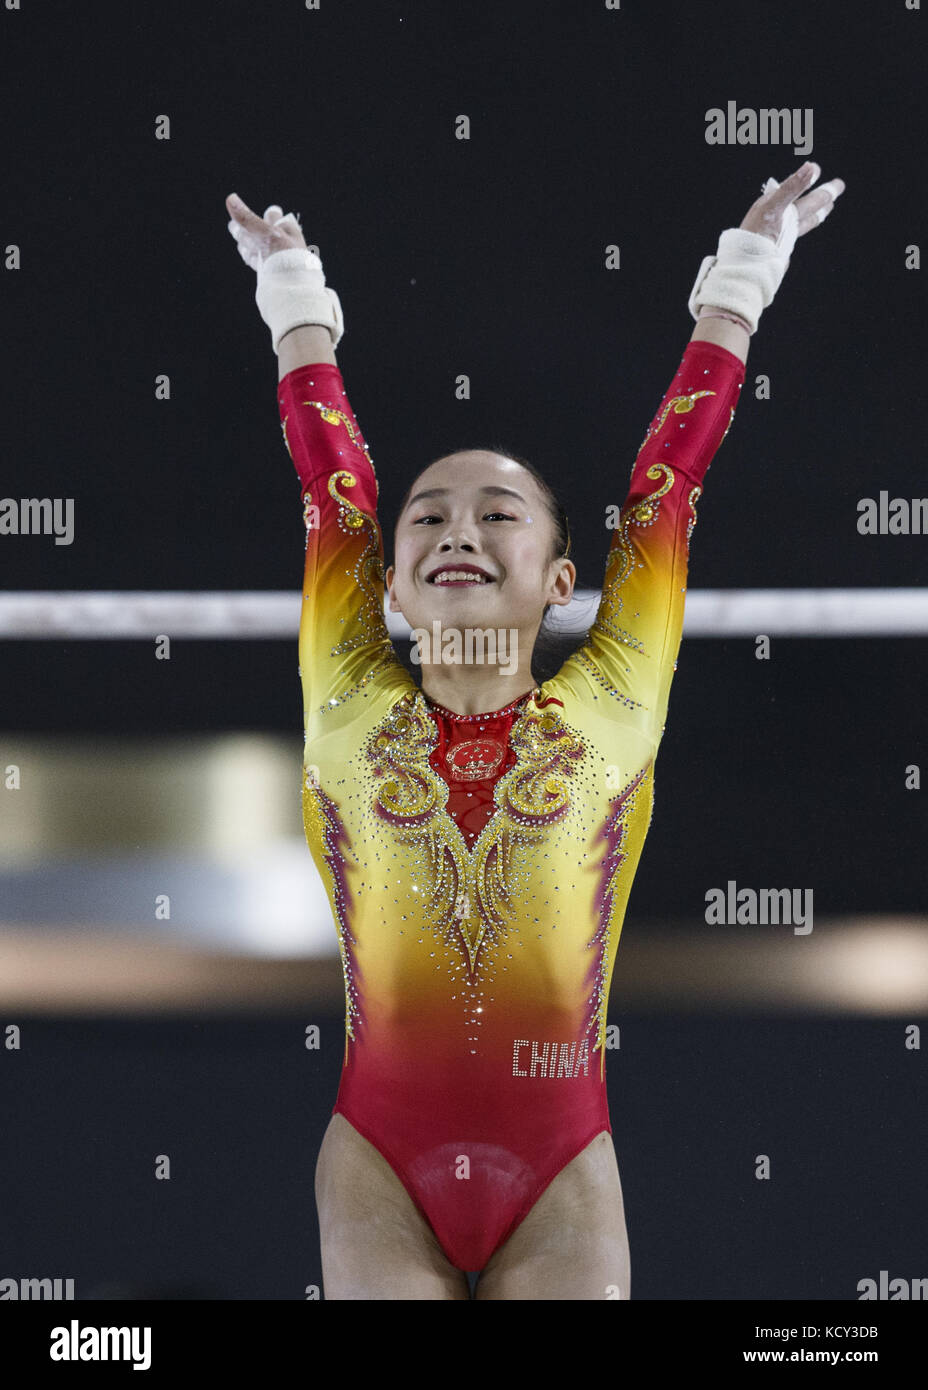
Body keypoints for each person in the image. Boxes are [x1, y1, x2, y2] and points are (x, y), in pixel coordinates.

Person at [225, 161, 845, 1300]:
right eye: (430, 517)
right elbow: (336, 491)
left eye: (497, 514)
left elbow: (667, 488)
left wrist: (743, 278)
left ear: (563, 580)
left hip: (562, 1169)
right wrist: (295, 299)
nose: (458, 529)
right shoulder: (348, 695)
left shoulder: (611, 699)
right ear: (395, 588)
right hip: (378, 1162)